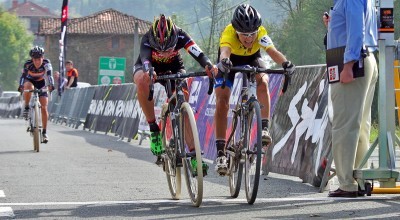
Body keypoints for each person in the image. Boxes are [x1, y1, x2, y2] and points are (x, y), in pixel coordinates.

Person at [213, 4, 295, 175]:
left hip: (252, 58)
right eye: (244, 35)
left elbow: (272, 51)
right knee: (221, 101)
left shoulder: (261, 32)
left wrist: (285, 63)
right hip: (231, 60)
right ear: (236, 31)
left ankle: (264, 128)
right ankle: (221, 153)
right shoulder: (228, 32)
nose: (249, 39)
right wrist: (224, 61)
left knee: (263, 81)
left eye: (252, 34)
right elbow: (225, 52)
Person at [133, 14, 217, 174]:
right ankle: (154, 129)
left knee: (183, 107)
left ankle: (194, 156)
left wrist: (208, 64)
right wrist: (148, 70)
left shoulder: (180, 35)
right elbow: (145, 59)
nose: (164, 52)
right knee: (142, 80)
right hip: (150, 68)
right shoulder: (147, 37)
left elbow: (198, 53)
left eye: (168, 49)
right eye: (160, 49)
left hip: (175, 68)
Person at [326, 0, 378, 197]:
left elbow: (356, 30)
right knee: (360, 124)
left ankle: (347, 183)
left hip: (352, 61)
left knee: (344, 124)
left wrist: (348, 65)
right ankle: (358, 177)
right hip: (366, 58)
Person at [18, 46, 54, 143]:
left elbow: (50, 76)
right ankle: (26, 107)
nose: (37, 62)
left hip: (42, 83)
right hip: (30, 81)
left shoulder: (47, 64)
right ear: (32, 59)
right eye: (35, 59)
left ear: (43, 57)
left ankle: (44, 132)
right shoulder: (28, 64)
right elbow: (23, 76)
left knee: (44, 107)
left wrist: (51, 85)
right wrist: (21, 86)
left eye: (39, 59)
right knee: (28, 86)